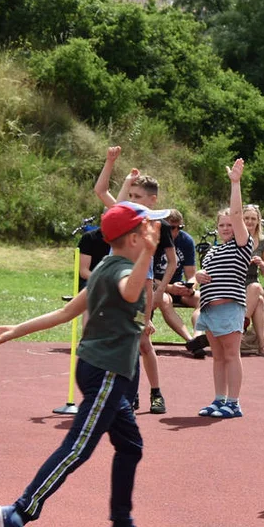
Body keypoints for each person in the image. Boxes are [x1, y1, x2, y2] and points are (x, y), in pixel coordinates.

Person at [0, 201, 170, 527]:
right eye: (149, 230)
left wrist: (14, 330)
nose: (156, 234)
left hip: (106, 374)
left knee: (130, 446)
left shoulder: (103, 265)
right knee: (78, 448)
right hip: (105, 374)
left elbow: (67, 312)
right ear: (134, 239)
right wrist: (147, 256)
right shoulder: (119, 269)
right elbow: (131, 292)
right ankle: (18, 513)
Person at [93, 146, 174, 414]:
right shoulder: (123, 215)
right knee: (117, 342)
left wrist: (148, 315)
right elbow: (101, 191)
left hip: (138, 291)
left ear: (152, 200)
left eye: (137, 196)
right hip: (115, 288)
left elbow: (148, 281)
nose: (131, 199)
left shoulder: (150, 224)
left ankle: (155, 392)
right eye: (130, 195)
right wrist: (110, 163)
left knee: (142, 342)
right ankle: (126, 395)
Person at [194, 159, 251, 419]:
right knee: (217, 358)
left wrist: (235, 184)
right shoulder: (214, 250)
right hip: (209, 309)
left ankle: (234, 402)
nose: (227, 228)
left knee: (231, 354)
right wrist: (198, 274)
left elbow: (238, 214)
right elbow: (202, 276)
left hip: (229, 306)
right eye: (222, 225)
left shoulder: (242, 244)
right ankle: (219, 399)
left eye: (229, 224)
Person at [154, 209, 206, 359]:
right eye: (171, 227)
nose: (176, 231)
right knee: (165, 300)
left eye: (179, 227)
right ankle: (190, 340)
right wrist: (169, 287)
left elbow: (192, 274)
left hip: (178, 287)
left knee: (204, 298)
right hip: (157, 287)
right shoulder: (154, 240)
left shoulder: (186, 241)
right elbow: (148, 276)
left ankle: (198, 336)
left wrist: (189, 287)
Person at [240, 204, 264, 358]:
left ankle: (240, 326)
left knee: (256, 288)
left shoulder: (263, 241)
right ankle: (263, 345)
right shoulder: (236, 237)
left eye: (253, 219)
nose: (249, 222)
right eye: (246, 218)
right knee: (260, 301)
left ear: (258, 221)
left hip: (253, 282)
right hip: (237, 282)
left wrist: (262, 264)